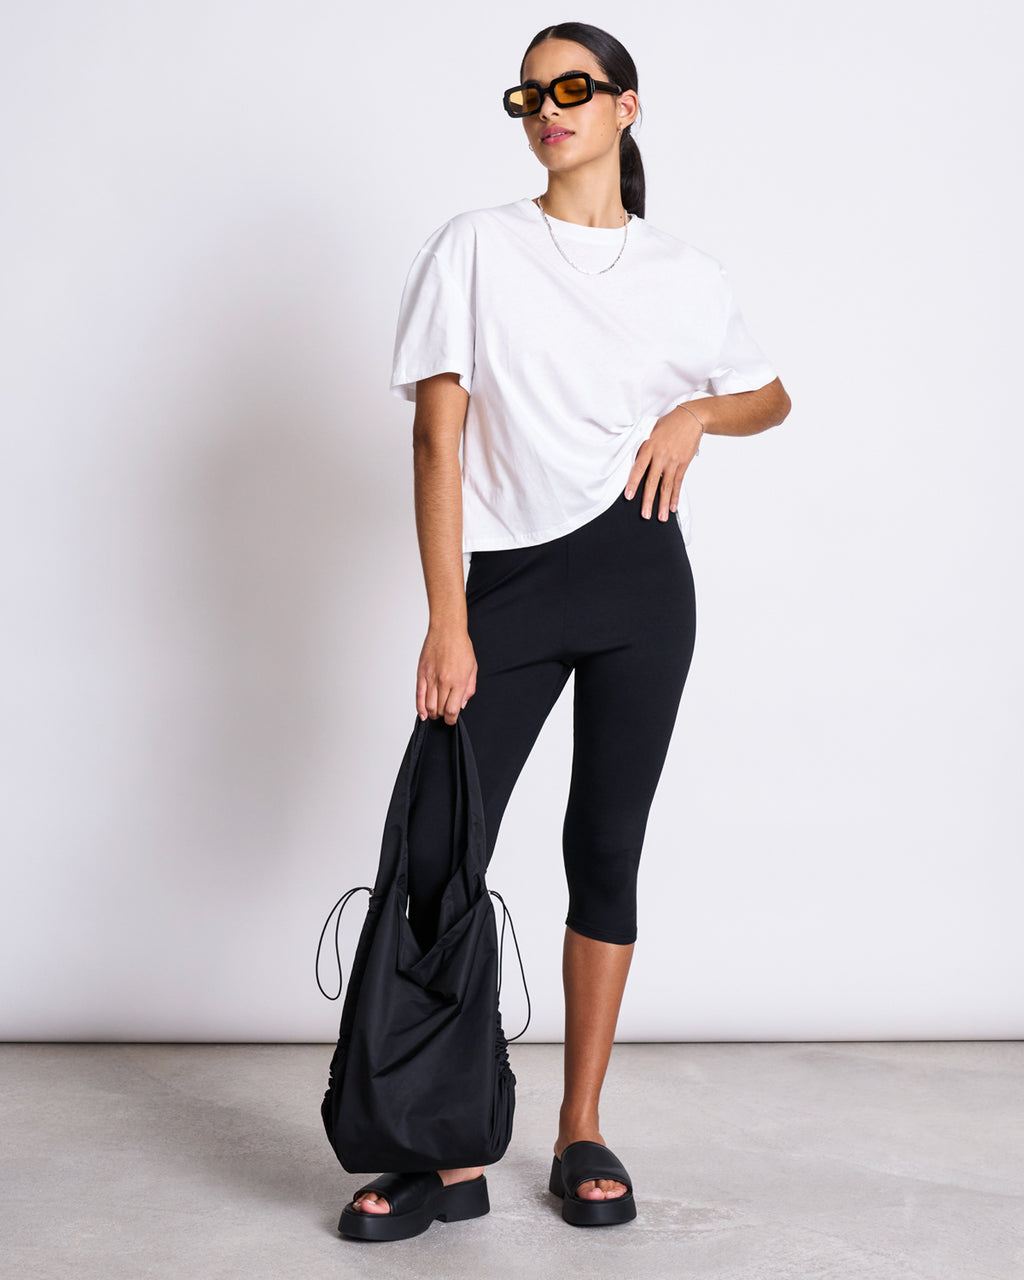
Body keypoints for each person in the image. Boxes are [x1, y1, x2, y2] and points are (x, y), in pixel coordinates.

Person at [340, 20, 791, 1240]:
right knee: (437, 853)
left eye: (573, 89)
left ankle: (579, 1124)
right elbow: (438, 437)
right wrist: (448, 619)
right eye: (530, 94)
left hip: (642, 578)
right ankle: (433, 1146)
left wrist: (695, 412)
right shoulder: (474, 247)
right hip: (506, 585)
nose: (549, 109)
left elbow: (773, 392)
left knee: (605, 849)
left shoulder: (682, 273)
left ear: (626, 108)